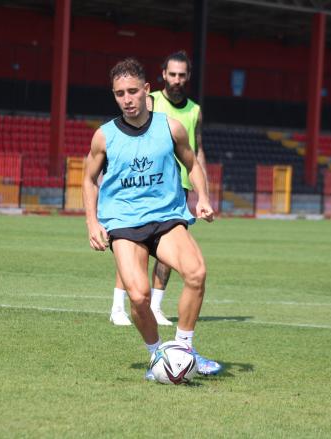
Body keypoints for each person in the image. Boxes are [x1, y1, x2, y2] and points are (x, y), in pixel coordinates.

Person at [83, 58, 222, 378]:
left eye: (133, 91)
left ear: (147, 90)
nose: (127, 99)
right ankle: (157, 355)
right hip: (124, 223)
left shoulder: (170, 127)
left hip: (166, 217)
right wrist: (92, 222)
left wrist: (202, 197)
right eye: (120, 94)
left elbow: (193, 164)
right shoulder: (103, 136)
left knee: (197, 272)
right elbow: (88, 180)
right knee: (139, 295)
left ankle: (184, 350)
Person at [109, 51, 207, 327]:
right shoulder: (149, 101)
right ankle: (118, 305)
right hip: (145, 187)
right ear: (162, 75)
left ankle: (156, 305)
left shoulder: (195, 111)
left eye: (181, 75)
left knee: (171, 256)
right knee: (131, 243)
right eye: (172, 74)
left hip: (178, 190)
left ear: (188, 77)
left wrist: (204, 194)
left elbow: (196, 153)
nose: (176, 79)